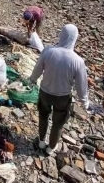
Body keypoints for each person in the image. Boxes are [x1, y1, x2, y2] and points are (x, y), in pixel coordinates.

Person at [29, 24, 89, 155]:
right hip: (62, 97)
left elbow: (38, 68)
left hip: (45, 92)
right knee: (58, 123)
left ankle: (41, 141)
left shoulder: (48, 51)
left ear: (61, 35)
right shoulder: (78, 61)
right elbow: (81, 84)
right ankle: (51, 147)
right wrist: (85, 101)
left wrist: (32, 80)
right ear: (75, 39)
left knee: (43, 116)